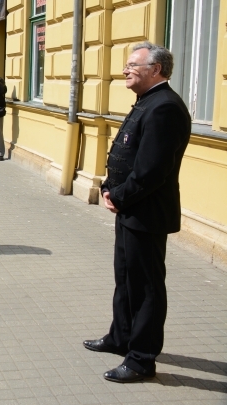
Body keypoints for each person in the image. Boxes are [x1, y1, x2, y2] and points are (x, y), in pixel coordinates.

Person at [84, 42, 191, 383]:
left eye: (133, 65)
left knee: (145, 288)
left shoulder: (165, 108)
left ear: (155, 70)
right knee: (126, 279)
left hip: (146, 212)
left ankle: (142, 358)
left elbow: (151, 170)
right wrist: (106, 186)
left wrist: (118, 196)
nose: (125, 70)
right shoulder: (147, 102)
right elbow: (125, 155)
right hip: (130, 209)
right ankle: (121, 337)